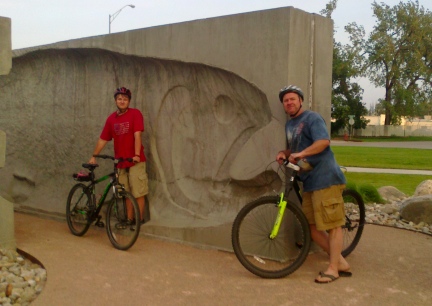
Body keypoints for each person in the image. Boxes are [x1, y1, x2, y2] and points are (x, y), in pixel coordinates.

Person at [275, 85, 350, 284]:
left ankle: (333, 269)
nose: (289, 102)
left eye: (292, 99)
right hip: (308, 181)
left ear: (300, 101)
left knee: (333, 225)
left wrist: (302, 154)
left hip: (326, 178)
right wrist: (286, 153)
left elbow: (323, 142)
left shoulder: (312, 118)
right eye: (285, 100)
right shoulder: (290, 125)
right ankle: (340, 261)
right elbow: (296, 149)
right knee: (312, 226)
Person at [89, 87, 148, 224]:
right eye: (120, 99)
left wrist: (137, 154)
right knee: (125, 191)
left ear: (129, 101)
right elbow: (103, 139)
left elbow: (137, 134)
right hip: (120, 162)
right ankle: (129, 219)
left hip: (135, 160)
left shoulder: (135, 114)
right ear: (116, 100)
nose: (122, 101)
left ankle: (139, 221)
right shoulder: (111, 119)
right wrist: (94, 155)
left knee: (138, 191)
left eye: (125, 99)